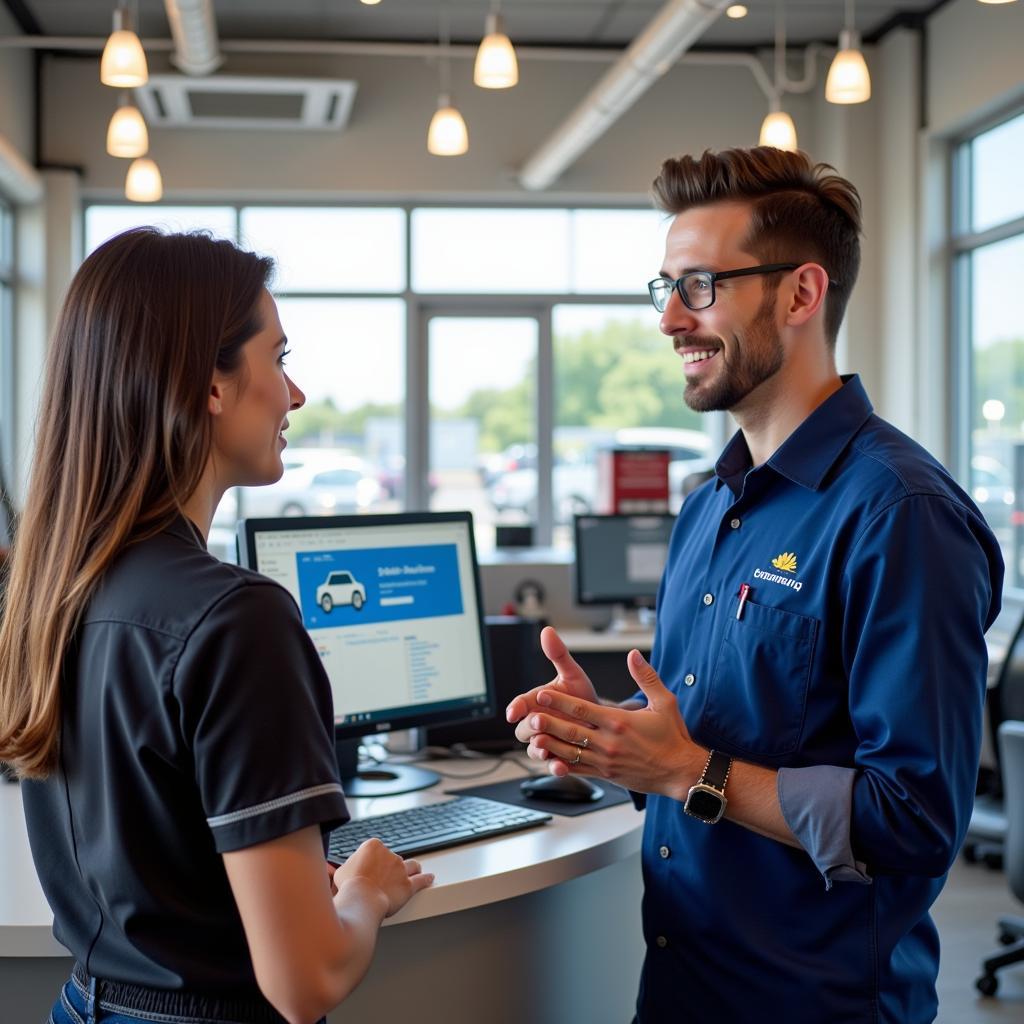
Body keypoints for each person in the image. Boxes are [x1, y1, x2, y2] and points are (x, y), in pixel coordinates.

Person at [507, 146, 1004, 1023]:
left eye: (698, 286)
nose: (668, 319)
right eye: (662, 287)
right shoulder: (710, 508)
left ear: (801, 295)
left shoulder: (901, 515)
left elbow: (916, 821)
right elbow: (711, 732)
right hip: (681, 984)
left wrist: (686, 768)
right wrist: (610, 736)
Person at [0, 228, 432, 1024]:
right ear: (210, 385)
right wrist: (366, 893)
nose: (295, 395)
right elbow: (305, 982)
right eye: (279, 358)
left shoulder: (53, 588)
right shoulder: (238, 618)